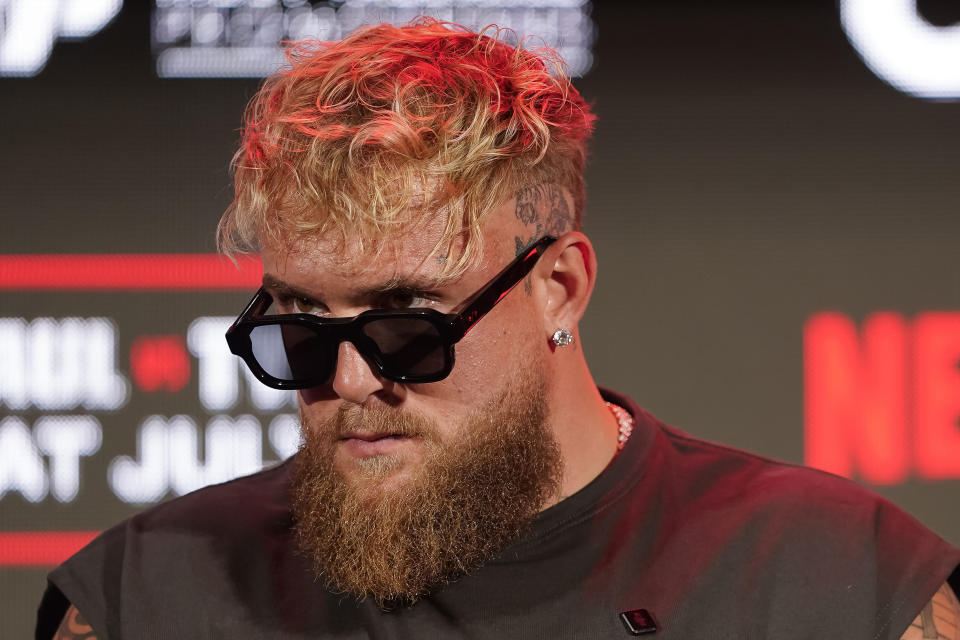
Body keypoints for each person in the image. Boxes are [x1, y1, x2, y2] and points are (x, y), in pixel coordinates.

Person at [37, 19, 960, 639]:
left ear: (559, 287)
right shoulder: (152, 597)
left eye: (408, 328)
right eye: (305, 332)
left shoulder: (834, 583)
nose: (352, 383)